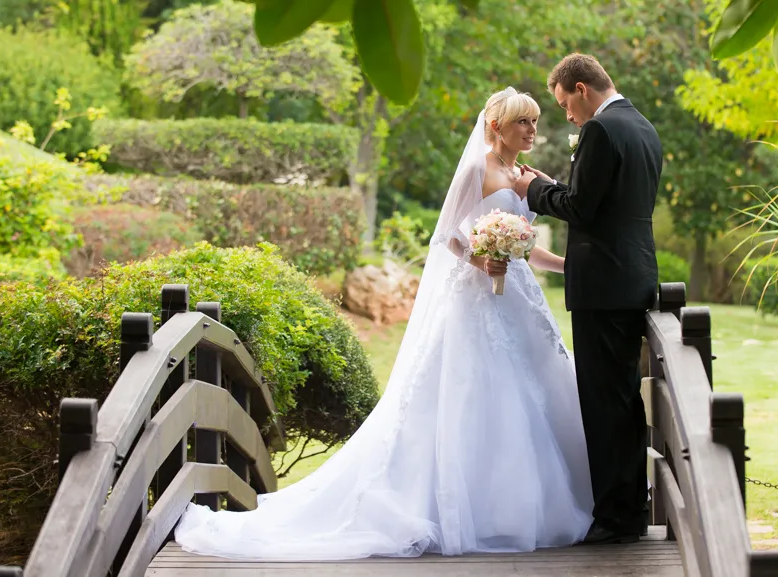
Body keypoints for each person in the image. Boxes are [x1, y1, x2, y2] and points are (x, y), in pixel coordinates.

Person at [173, 88, 594, 561]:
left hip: (519, 298)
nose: (532, 131)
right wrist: (483, 261)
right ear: (497, 127)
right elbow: (448, 236)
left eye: (535, 122)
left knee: (535, 391)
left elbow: (525, 246)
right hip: (478, 300)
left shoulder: (525, 177)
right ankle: (468, 509)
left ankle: (528, 503)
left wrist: (566, 266)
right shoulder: (477, 169)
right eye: (523, 123)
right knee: (477, 394)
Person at [514, 53, 662, 545]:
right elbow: (604, 203)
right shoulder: (642, 126)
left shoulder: (601, 130)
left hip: (603, 287)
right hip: (632, 277)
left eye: (564, 105)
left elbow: (581, 208)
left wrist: (534, 190)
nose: (568, 116)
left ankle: (617, 519)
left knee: (605, 405)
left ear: (581, 88)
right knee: (621, 400)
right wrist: (553, 185)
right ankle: (630, 509)